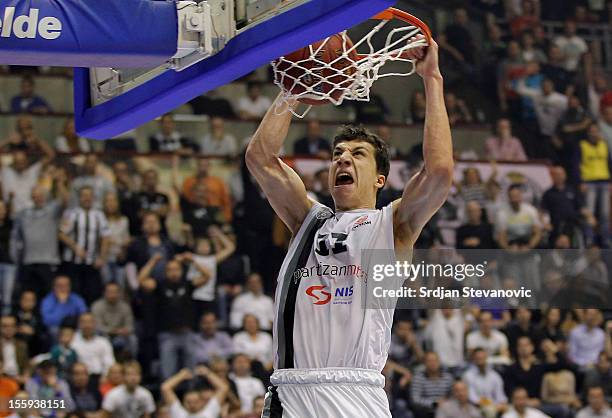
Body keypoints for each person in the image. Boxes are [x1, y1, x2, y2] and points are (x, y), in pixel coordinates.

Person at [245, 36, 451, 418]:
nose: (343, 159)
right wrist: (294, 90)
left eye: (357, 155)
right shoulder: (307, 219)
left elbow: (438, 173)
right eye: (337, 154)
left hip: (356, 394)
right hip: (292, 392)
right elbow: (261, 159)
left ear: (379, 179)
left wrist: (432, 79)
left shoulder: (392, 225)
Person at [11, 175, 68, 301]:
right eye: (35, 195)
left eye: (41, 195)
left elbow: (65, 200)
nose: (38, 197)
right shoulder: (23, 214)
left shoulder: (52, 211)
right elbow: (15, 236)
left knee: (48, 296)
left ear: (45, 196)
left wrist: (59, 183)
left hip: (48, 261)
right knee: (28, 296)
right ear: (31, 197)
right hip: (28, 261)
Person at [59, 185, 111, 305]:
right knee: (75, 293)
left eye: (89, 195)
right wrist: (75, 247)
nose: (87, 198)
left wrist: (102, 257)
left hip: (92, 262)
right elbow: (61, 234)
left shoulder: (99, 215)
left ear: (93, 198)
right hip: (73, 262)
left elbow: (106, 236)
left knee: (93, 293)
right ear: (80, 198)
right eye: (84, 196)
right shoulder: (72, 213)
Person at [576, 123, 611, 247]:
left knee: (605, 214)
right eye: (591, 131)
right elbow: (576, 165)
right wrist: (580, 181)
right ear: (588, 133)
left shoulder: (604, 145)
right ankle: (589, 239)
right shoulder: (582, 146)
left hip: (604, 181)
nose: (594, 133)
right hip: (589, 182)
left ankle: (605, 240)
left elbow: (609, 163)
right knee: (589, 213)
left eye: (596, 131)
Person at [161, 366, 228, 418]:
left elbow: (223, 388)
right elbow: (165, 388)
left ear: (202, 401)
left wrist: (207, 373)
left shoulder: (209, 413)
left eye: (195, 402)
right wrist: (180, 376)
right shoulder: (179, 414)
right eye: (188, 402)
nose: (192, 405)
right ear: (183, 402)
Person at [91, 282, 136, 359]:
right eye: (110, 292)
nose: (113, 295)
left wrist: (125, 331)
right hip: (104, 335)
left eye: (115, 292)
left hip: (121, 335)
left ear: (119, 293)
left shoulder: (125, 307)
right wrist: (113, 331)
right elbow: (97, 326)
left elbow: (130, 326)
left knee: (133, 339)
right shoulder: (97, 306)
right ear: (104, 293)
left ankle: (131, 363)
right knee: (100, 336)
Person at [463, 348, 508, 416]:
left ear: (486, 358)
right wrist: (487, 406)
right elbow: (472, 397)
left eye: (482, 358)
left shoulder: (495, 376)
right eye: (478, 358)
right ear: (473, 359)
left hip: (494, 408)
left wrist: (501, 404)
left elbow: (500, 396)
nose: (480, 360)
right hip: (475, 408)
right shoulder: (468, 376)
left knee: (507, 409)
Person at [70, 313, 115, 379]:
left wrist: (105, 377)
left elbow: (109, 363)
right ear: (79, 325)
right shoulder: (72, 342)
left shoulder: (103, 342)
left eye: (89, 322)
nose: (87, 325)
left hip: (100, 378)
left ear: (95, 324)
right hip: (80, 378)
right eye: (84, 322)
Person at [410, 352, 455, 418]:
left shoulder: (448, 377)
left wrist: (446, 402)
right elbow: (415, 399)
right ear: (424, 363)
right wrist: (434, 403)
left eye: (435, 360)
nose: (433, 363)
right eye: (429, 361)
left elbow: (453, 395)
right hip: (426, 412)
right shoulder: (418, 378)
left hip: (446, 410)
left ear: (439, 362)